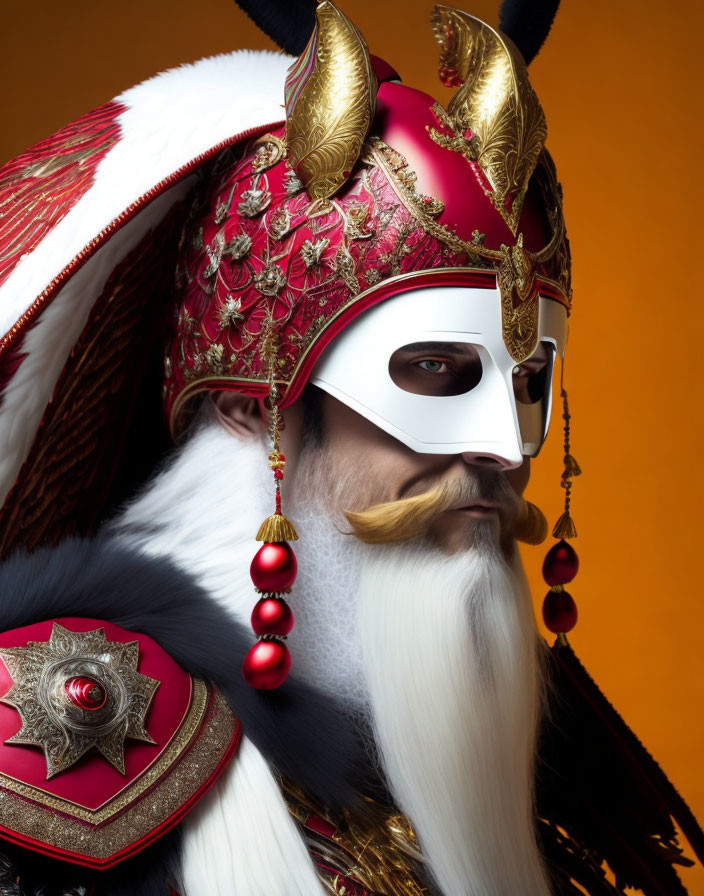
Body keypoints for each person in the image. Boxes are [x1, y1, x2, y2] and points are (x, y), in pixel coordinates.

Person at [0, 1, 700, 894]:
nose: (500, 448)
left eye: (528, 384)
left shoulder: (497, 789)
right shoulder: (54, 762)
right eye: (438, 370)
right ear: (254, 406)